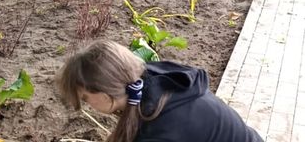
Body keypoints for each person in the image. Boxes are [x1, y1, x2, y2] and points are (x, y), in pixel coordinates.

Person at [55, 40, 265, 142]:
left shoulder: (160, 127)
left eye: (85, 98)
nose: (88, 106)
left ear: (103, 93)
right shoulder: (153, 79)